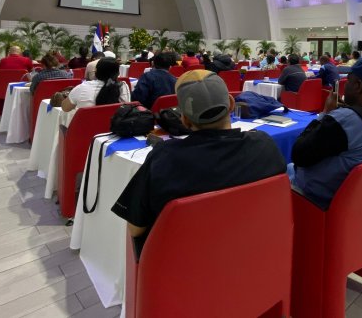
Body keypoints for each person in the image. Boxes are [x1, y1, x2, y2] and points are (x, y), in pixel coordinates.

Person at [111, 70, 286, 256]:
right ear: (231, 104)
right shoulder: (264, 145)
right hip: (254, 253)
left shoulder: (164, 159)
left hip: (182, 261)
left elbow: (135, 229)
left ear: (184, 119)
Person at [289, 56, 362, 209]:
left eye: (348, 82)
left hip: (314, 201)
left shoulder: (343, 120)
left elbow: (299, 154)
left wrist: (325, 113)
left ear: (358, 85)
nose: (345, 86)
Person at [62, 57, 130, 112]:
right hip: (114, 125)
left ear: (96, 71)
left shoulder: (81, 88)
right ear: (118, 73)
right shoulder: (123, 87)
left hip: (86, 125)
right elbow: (126, 109)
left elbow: (65, 108)